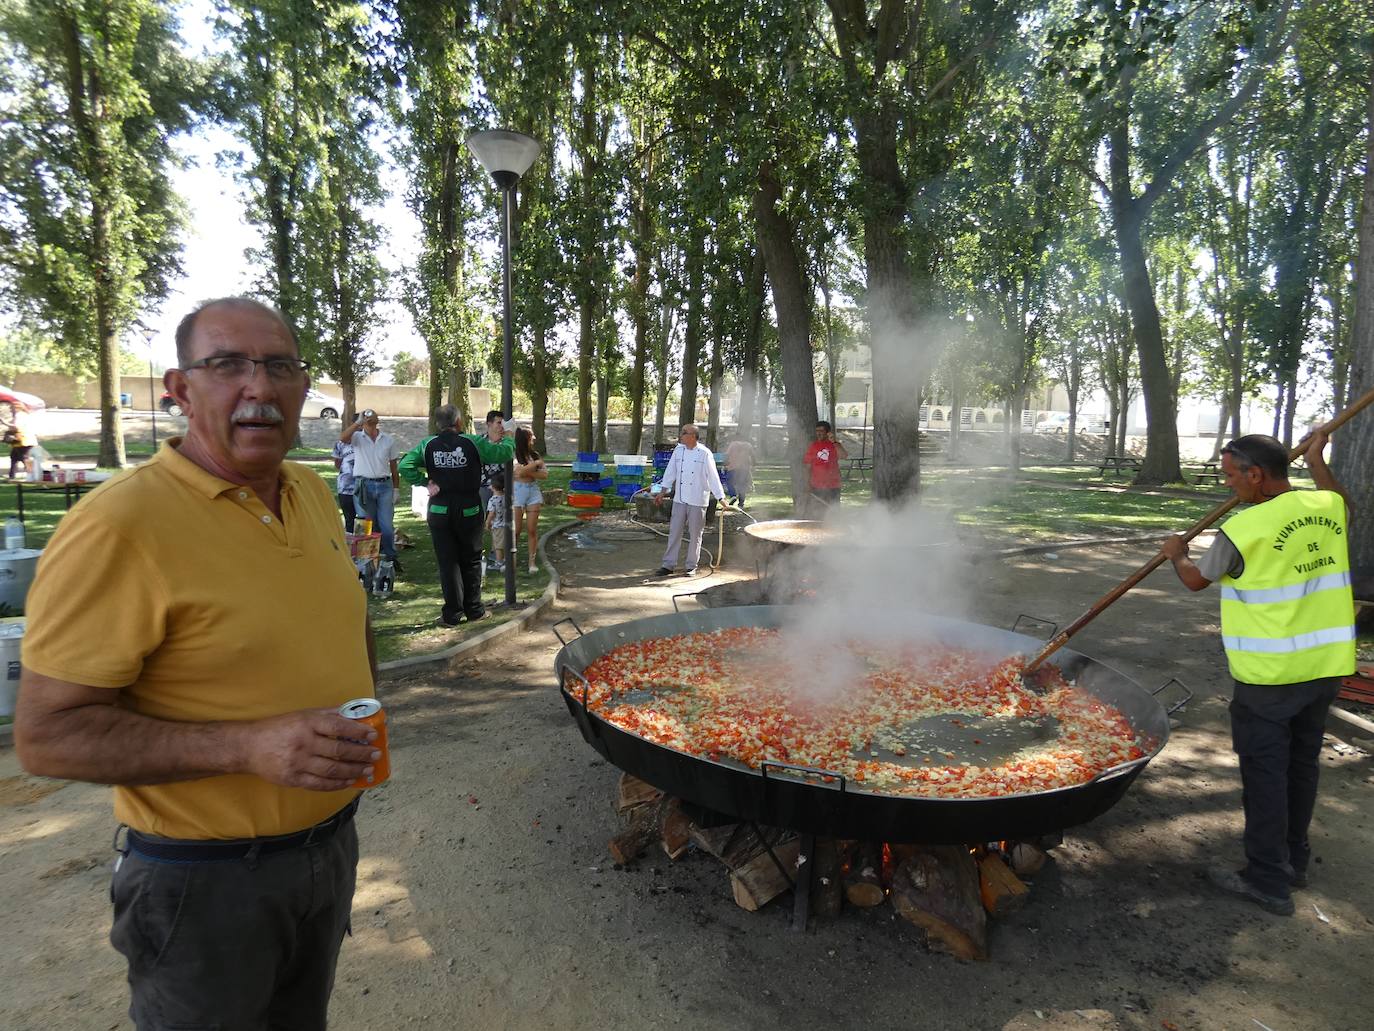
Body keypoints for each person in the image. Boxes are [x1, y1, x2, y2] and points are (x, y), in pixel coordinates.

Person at [14, 297, 380, 1028]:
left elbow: (347, 617)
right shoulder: (120, 524)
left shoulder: (310, 491)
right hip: (204, 884)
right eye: (228, 365)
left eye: (279, 366)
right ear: (180, 390)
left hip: (327, 850)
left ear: (304, 390)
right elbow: (46, 735)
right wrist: (247, 744)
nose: (259, 386)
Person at [1161, 431, 1356, 917]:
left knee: (1266, 775)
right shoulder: (1325, 508)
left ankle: (1268, 880)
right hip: (1325, 668)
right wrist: (1316, 459)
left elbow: (1193, 581)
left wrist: (1176, 553)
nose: (1229, 486)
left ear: (1256, 474)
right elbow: (1340, 500)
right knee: (1302, 766)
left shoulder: (1245, 528)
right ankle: (1294, 859)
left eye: (1231, 475)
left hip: (1270, 678)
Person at [397, 405, 515, 625]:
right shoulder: (472, 443)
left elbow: (405, 465)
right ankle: (474, 610)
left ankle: (451, 614)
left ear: (438, 424)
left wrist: (425, 482)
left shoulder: (428, 445)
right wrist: (509, 436)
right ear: (459, 422)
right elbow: (504, 452)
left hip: (439, 510)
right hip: (468, 509)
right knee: (470, 560)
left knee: (447, 562)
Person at [655, 424, 727, 576]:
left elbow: (713, 477)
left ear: (693, 436)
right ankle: (668, 564)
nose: (680, 435)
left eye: (684, 433)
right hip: (680, 499)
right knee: (674, 532)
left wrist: (721, 497)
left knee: (695, 534)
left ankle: (691, 565)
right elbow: (670, 472)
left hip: (697, 499)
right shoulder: (678, 450)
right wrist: (662, 491)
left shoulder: (705, 453)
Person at [341, 409, 402, 571]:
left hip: (384, 485)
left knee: (386, 524)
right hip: (364, 484)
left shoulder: (387, 440)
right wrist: (357, 423)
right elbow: (343, 438)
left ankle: (390, 557)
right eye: (367, 420)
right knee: (366, 523)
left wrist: (396, 488)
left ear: (377, 421)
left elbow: (394, 468)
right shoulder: (357, 437)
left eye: (372, 419)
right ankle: (366, 562)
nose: (370, 422)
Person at [512, 426, 547, 574]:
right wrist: (536, 465)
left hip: (533, 492)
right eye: (531, 436)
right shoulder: (513, 454)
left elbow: (544, 475)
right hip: (517, 492)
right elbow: (517, 472)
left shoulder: (534, 454)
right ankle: (510, 560)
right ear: (525, 439)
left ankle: (531, 562)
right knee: (516, 530)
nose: (534, 439)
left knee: (532, 529)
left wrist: (529, 471)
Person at [803, 420, 847, 515]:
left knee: (833, 511)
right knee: (818, 511)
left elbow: (844, 456)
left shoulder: (834, 445)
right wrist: (807, 484)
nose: (818, 433)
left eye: (821, 431)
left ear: (827, 432)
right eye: (817, 431)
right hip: (817, 485)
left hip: (833, 485)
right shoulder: (813, 446)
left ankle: (834, 528)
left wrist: (834, 442)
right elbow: (808, 466)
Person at [477, 409, 506, 514]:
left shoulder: (507, 443)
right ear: (489, 424)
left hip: (503, 489)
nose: (502, 426)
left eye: (503, 423)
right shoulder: (479, 442)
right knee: (484, 519)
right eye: (499, 423)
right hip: (483, 487)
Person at [332, 436, 357, 532]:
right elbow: (337, 464)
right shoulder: (340, 444)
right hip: (345, 487)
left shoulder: (366, 442)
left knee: (365, 519)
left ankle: (367, 543)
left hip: (364, 487)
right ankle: (350, 543)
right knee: (349, 518)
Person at [723, 436, 755, 509]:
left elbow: (727, 455)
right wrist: (754, 465)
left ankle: (733, 495)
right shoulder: (748, 445)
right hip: (744, 469)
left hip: (733, 467)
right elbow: (753, 456)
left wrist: (725, 464)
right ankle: (741, 504)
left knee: (729, 482)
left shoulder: (733, 444)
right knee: (742, 486)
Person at [486, 473, 508, 571]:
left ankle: (499, 563)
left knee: (498, 546)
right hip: (507, 524)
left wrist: (487, 523)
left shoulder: (492, 500)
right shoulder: (506, 497)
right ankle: (506, 560)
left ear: (493, 487)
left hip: (497, 525)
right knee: (506, 544)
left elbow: (491, 514)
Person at [6, 406, 35, 478]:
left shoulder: (20, 415)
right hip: (20, 440)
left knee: (24, 458)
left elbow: (16, 426)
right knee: (14, 457)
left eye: (12, 408)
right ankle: (11, 476)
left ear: (18, 408)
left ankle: (33, 474)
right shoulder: (23, 415)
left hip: (23, 440)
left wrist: (5, 423)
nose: (10, 409)